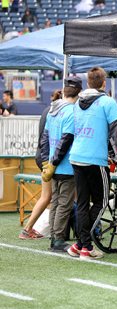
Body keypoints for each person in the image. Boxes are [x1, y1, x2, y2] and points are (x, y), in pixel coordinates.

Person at [67, 67, 117, 259]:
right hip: (94, 159)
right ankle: (85, 246)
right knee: (100, 202)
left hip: (76, 157)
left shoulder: (77, 103)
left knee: (83, 203)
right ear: (104, 83)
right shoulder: (108, 102)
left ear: (88, 83)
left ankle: (79, 245)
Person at [39, 77, 81, 252]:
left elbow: (45, 138)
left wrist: (46, 162)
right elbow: (66, 140)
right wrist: (55, 163)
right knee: (64, 203)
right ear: (78, 93)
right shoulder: (72, 112)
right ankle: (57, 239)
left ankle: (54, 237)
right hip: (65, 165)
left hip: (51, 164)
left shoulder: (52, 110)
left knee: (55, 202)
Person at [18, 90, 62, 240]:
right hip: (48, 157)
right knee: (48, 196)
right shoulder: (59, 113)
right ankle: (28, 228)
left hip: (41, 155)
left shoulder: (47, 110)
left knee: (47, 196)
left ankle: (30, 228)